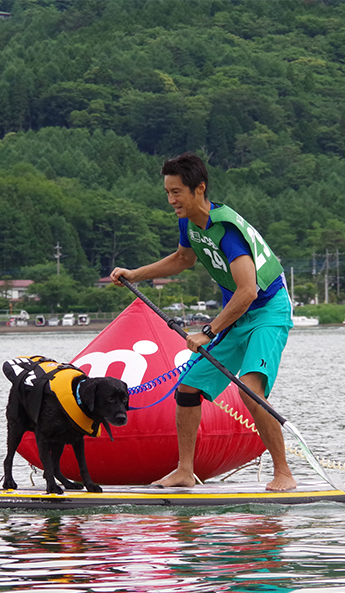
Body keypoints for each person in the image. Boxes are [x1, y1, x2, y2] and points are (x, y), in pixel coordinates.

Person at [111, 152, 296, 491]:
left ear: (200, 189)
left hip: (267, 312)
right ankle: (185, 470)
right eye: (167, 192)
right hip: (236, 314)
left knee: (250, 392)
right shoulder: (189, 223)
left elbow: (249, 291)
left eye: (177, 192)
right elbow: (184, 258)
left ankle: (283, 473)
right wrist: (135, 274)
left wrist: (209, 331)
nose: (171, 200)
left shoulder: (227, 232)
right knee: (188, 388)